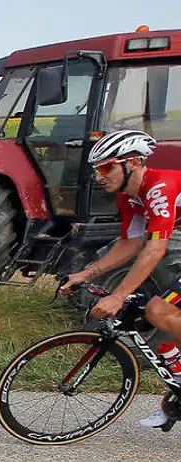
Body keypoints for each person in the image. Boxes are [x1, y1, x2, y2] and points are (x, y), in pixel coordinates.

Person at [60, 129, 181, 428]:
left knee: (159, 310)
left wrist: (117, 295)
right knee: (157, 311)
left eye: (106, 167)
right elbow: (129, 244)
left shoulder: (158, 187)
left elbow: (155, 249)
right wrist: (85, 273)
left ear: (134, 163)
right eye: (96, 169)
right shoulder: (130, 198)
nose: (100, 176)